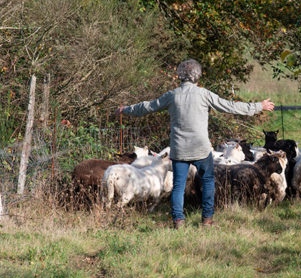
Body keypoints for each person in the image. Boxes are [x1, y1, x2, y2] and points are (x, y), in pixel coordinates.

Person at [114, 59, 274, 228]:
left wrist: (126, 109)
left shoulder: (172, 95)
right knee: (208, 182)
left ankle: (178, 221)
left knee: (178, 186)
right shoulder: (205, 94)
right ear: (198, 76)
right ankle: (207, 220)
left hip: (179, 149)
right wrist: (258, 106)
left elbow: (147, 106)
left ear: (179, 76)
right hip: (201, 149)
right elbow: (230, 106)